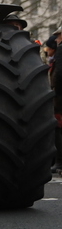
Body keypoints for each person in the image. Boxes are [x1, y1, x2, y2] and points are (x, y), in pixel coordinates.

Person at [50, 28, 62, 173]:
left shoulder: (61, 50)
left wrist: (57, 93)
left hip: (60, 96)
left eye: (58, 36)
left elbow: (59, 73)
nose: (56, 39)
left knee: (58, 127)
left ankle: (59, 161)